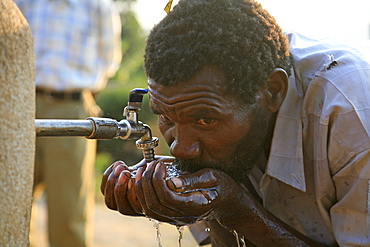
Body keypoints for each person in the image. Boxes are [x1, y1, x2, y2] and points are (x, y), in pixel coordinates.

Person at [100, 0, 370, 246]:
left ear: (273, 91)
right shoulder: (230, 96)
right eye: (166, 118)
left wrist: (236, 210)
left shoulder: (348, 108)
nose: (181, 150)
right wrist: (199, 205)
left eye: (205, 120)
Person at [14, 0, 121, 246]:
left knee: (69, 210)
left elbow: (109, 60)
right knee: (9, 203)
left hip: (73, 108)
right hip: (21, 103)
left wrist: (81, 99)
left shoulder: (99, 6)